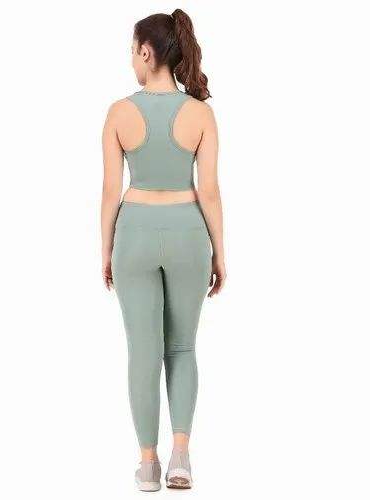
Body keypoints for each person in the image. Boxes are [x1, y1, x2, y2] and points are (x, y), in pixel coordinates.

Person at [101, 9, 226, 491]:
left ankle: (148, 465)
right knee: (183, 346)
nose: (131, 59)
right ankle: (181, 458)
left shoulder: (118, 113)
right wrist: (219, 253)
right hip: (188, 233)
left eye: (133, 51)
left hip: (133, 233)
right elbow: (209, 191)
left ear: (147, 51)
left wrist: (106, 250)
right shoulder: (200, 113)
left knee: (143, 351)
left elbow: (110, 192)